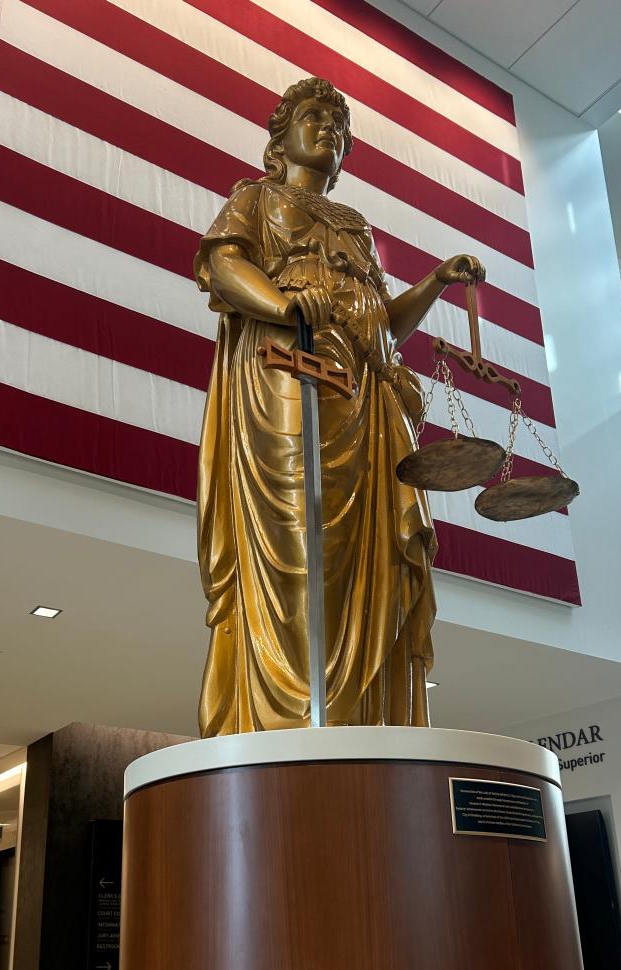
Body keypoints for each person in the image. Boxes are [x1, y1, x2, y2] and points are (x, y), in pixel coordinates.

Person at [194, 76, 485, 735]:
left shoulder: (354, 229)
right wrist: (282, 303)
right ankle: (289, 712)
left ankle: (360, 718)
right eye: (314, 116)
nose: (329, 128)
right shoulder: (257, 199)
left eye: (339, 125)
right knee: (300, 535)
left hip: (362, 398)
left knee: (365, 557)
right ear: (282, 137)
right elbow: (223, 267)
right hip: (284, 376)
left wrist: (436, 280)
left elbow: (383, 323)